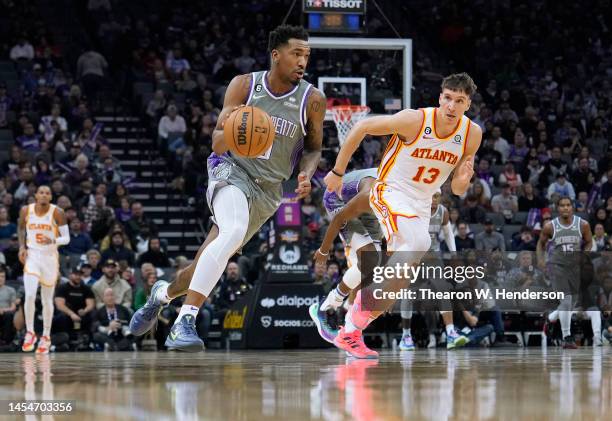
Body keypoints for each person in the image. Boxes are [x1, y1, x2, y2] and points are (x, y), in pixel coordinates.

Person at [129, 24, 326, 352]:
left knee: (209, 257)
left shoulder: (313, 99)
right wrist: (237, 131)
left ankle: (161, 295)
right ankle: (184, 321)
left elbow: (314, 148)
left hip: (269, 190)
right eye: (296, 54)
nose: (302, 61)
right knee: (232, 230)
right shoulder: (245, 86)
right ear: (276, 55)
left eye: (306, 54)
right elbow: (218, 141)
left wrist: (305, 173)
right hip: (231, 170)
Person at [324, 73, 482, 358]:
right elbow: (361, 127)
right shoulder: (415, 120)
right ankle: (352, 302)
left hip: (421, 203)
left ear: (467, 104)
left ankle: (351, 329)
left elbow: (457, 190)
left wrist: (464, 178)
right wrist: (337, 172)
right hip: (391, 191)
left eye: (459, 101)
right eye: (447, 98)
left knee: (399, 281)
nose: (451, 106)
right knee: (416, 246)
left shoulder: (472, 134)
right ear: (440, 97)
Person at [309, 168, 382, 343]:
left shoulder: (405, 191)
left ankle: (349, 331)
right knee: (371, 260)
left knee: (369, 271)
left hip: (368, 206)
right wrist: (324, 250)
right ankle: (325, 306)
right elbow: (339, 219)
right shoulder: (373, 189)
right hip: (338, 201)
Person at [399, 191, 468, 351]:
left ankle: (451, 333)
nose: (433, 199)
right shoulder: (414, 209)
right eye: (430, 196)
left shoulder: (443, 212)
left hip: (433, 257)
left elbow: (448, 233)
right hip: (414, 256)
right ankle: (406, 336)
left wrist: (454, 255)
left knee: (443, 291)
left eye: (436, 196)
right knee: (408, 295)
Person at [18, 185, 70, 353]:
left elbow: (67, 238)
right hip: (32, 256)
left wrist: (54, 240)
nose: (44, 195)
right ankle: (30, 332)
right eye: (41, 192)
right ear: (36, 195)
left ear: (51, 197)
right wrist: (21, 247)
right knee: (31, 294)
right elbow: (20, 228)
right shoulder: (26, 210)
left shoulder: (57, 212)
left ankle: (46, 336)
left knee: (47, 299)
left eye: (47, 193)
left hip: (49, 258)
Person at [537, 196, 594, 349]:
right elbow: (541, 244)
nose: (565, 208)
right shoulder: (550, 226)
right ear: (558, 208)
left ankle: (551, 317)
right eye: (562, 206)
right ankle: (567, 337)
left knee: (571, 303)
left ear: (572, 207)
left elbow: (589, 241)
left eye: (568, 205)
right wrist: (541, 260)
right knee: (567, 300)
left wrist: (584, 255)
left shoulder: (583, 225)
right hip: (557, 266)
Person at [54, 267, 96, 338]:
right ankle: (65, 337)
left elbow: (91, 304)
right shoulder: (62, 288)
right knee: (62, 316)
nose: (78, 277)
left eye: (80, 275)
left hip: (81, 313)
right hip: (67, 313)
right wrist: (72, 314)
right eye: (76, 275)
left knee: (92, 315)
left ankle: (85, 338)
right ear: (70, 275)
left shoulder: (86, 289)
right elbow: (60, 305)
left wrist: (85, 311)